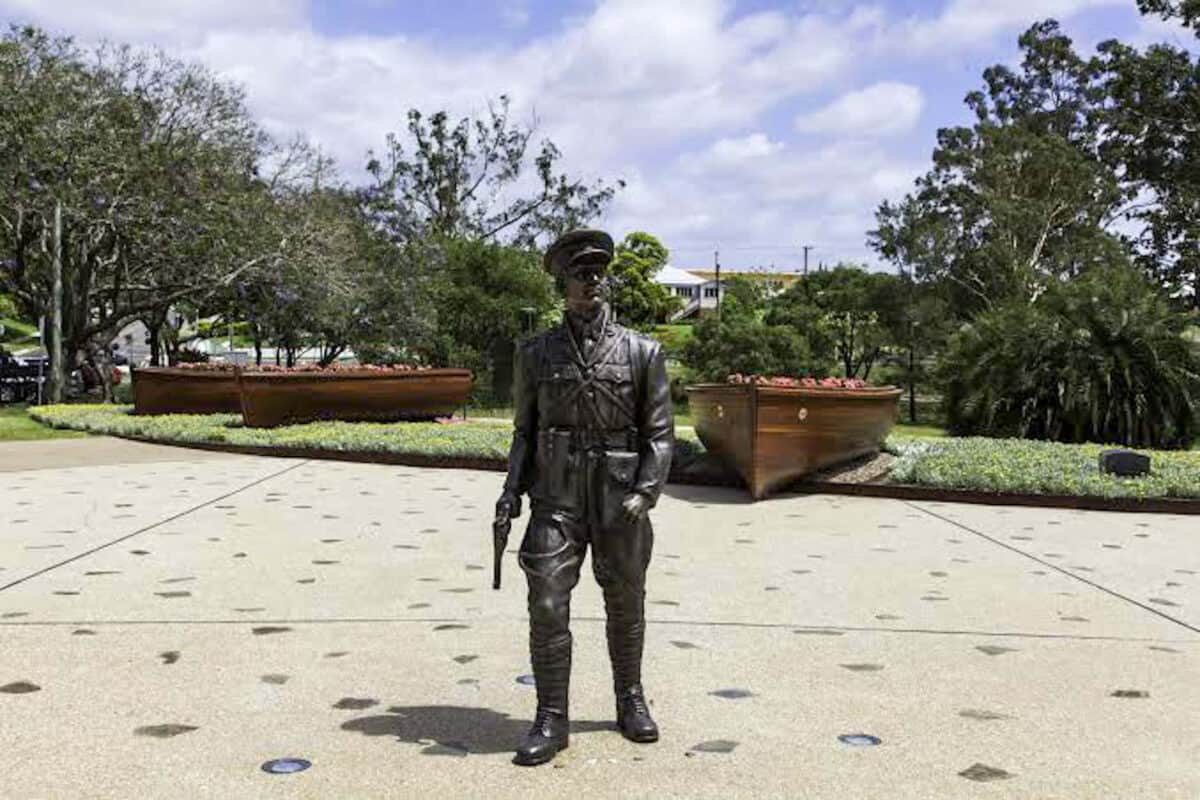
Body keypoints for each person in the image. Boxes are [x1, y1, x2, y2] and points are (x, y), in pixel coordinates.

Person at [493, 229, 674, 766]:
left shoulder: (643, 352)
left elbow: (661, 436)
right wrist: (510, 493)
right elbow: (524, 432)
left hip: (620, 501)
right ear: (563, 283)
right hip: (556, 497)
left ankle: (630, 700)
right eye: (580, 274)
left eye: (599, 273)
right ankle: (551, 716)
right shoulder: (536, 353)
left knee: (625, 601)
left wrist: (646, 492)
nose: (592, 282)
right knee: (546, 603)